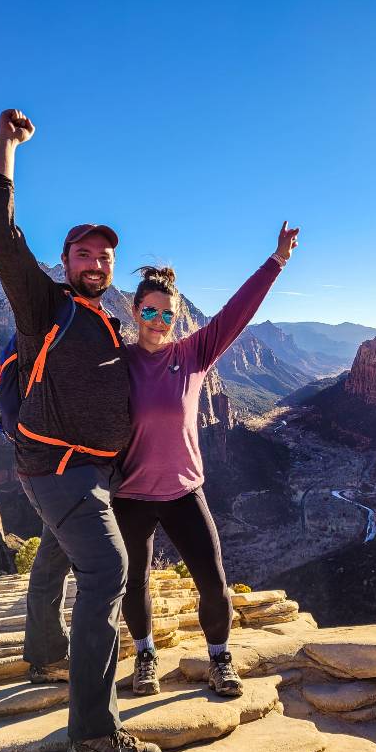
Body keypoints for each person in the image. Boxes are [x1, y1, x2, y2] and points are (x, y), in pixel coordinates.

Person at [0, 109, 161, 752]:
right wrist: (7, 144)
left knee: (56, 560)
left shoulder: (106, 319)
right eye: (84, 252)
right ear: (65, 261)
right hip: (60, 472)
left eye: (105, 254)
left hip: (82, 473)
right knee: (107, 573)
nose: (96, 261)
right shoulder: (44, 305)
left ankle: (45, 654)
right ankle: (92, 733)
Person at [112, 222, 300, 697]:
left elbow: (238, 311)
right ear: (134, 311)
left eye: (166, 314)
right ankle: (146, 655)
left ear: (175, 318)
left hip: (182, 491)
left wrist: (275, 261)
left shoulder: (194, 354)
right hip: (129, 495)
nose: (158, 319)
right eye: (149, 311)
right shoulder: (116, 360)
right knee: (134, 585)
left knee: (214, 583)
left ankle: (219, 658)